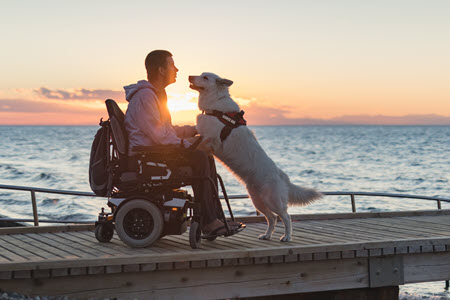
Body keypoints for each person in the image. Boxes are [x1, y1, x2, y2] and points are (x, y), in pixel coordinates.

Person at [123, 50, 227, 235]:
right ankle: (209, 221)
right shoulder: (146, 97)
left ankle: (214, 217)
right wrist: (190, 145)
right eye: (172, 65)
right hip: (145, 157)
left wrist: (197, 129)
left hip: (153, 152)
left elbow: (166, 130)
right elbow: (161, 137)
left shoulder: (155, 95)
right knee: (200, 157)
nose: (177, 69)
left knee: (205, 155)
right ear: (162, 70)